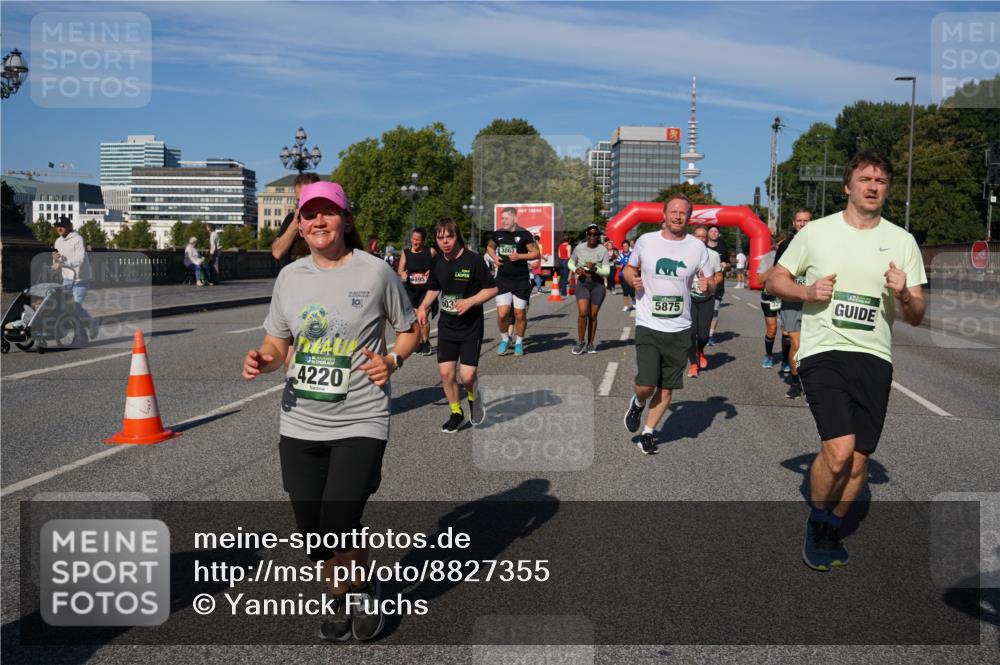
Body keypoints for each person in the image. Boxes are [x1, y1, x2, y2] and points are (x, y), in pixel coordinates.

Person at [242, 180, 419, 640]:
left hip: (361, 417)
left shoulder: (376, 272)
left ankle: (359, 592)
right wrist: (263, 358)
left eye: (328, 212)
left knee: (340, 522)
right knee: (312, 534)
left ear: (345, 219)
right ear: (299, 225)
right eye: (309, 215)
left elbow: (410, 328)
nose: (319, 221)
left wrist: (393, 360)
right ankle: (338, 595)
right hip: (300, 420)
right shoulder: (290, 277)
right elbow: (278, 342)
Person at [765, 150, 926, 572]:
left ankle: (835, 523)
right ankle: (818, 522)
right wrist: (807, 292)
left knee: (858, 461)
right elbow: (774, 279)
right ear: (848, 187)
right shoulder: (816, 233)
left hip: (874, 356)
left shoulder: (902, 241)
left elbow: (917, 314)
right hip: (823, 352)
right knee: (838, 451)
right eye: (866, 179)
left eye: (881, 181)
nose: (874, 186)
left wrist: (905, 292)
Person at [622, 195, 713, 455]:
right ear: (664, 214)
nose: (677, 216)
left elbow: (711, 279)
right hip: (649, 324)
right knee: (647, 384)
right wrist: (633, 279)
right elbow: (629, 268)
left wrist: (710, 285)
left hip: (681, 327)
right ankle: (638, 402)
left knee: (667, 385)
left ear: (688, 216)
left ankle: (648, 433)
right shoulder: (646, 241)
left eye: (682, 212)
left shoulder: (697, 247)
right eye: (673, 211)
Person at [417, 218, 497, 433]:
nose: (445, 242)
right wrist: (423, 306)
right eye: (440, 238)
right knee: (446, 374)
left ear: (457, 236)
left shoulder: (474, 260)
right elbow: (434, 288)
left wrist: (470, 301)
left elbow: (491, 289)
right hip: (447, 327)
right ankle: (456, 412)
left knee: (468, 376)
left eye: (449, 237)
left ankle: (474, 399)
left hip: (471, 327)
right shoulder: (438, 262)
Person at [487, 207, 540, 356]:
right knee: (503, 314)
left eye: (506, 218)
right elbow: (490, 248)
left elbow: (536, 253)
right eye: (502, 218)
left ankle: (519, 342)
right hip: (503, 280)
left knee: (519, 314)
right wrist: (494, 257)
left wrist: (520, 257)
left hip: (521, 280)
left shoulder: (524, 234)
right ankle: (505, 339)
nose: (503, 221)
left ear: (514, 219)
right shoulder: (498, 234)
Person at [776, 208, 812, 396]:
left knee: (813, 345)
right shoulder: (786, 245)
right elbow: (777, 276)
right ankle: (796, 381)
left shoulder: (820, 244)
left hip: (814, 301)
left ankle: (811, 381)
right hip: (792, 301)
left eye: (806, 220)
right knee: (796, 343)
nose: (803, 223)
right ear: (794, 223)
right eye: (799, 220)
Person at [686, 226, 723, 378]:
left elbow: (720, 275)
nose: (701, 239)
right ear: (693, 237)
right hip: (690, 299)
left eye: (703, 237)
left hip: (707, 298)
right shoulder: (685, 254)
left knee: (703, 336)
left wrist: (711, 283)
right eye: (698, 236)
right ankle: (693, 364)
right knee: (691, 332)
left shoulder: (713, 255)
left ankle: (700, 350)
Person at [568, 224, 611, 354]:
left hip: (597, 284)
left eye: (595, 234)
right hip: (583, 283)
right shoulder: (579, 248)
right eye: (590, 234)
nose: (592, 236)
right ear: (587, 235)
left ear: (598, 236)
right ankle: (580, 342)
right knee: (583, 312)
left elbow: (607, 271)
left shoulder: (602, 250)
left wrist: (595, 268)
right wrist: (576, 269)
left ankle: (590, 344)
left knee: (593, 315)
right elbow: (570, 262)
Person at [398, 228, 437, 356]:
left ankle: (426, 342)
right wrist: (403, 274)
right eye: (413, 239)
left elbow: (439, 265)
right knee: (415, 318)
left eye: (417, 240)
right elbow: (400, 270)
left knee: (423, 315)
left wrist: (432, 271)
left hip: (426, 290)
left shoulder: (430, 251)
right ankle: (420, 342)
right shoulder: (406, 253)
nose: (414, 242)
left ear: (423, 241)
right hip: (411, 290)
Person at [52, 216, 95, 332]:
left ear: (68, 227)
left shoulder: (78, 239)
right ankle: (78, 331)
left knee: (74, 306)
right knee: (63, 307)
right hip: (67, 279)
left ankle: (90, 325)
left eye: (62, 226)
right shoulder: (58, 241)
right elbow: (58, 261)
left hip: (81, 279)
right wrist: (55, 261)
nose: (59, 228)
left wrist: (63, 264)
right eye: (58, 226)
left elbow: (80, 260)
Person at [272, 172, 321, 267]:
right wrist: (295, 224)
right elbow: (277, 252)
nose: (303, 203)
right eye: (299, 200)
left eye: (307, 198)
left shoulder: (327, 220)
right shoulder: (291, 219)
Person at [755, 234, 784, 367]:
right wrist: (775, 267)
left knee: (787, 331)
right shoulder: (768, 257)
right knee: (772, 329)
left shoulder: (794, 256)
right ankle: (769, 355)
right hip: (770, 297)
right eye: (779, 243)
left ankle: (787, 360)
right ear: (775, 244)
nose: (781, 246)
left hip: (787, 297)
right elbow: (759, 280)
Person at [706, 226, 729, 346]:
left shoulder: (723, 247)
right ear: (708, 233)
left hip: (718, 283)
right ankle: (700, 332)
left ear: (718, 234)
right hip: (702, 284)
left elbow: (728, 263)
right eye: (711, 231)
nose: (714, 233)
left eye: (716, 231)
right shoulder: (702, 246)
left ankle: (710, 335)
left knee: (714, 311)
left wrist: (726, 265)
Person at [617, 239, 636, 312]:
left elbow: (637, 263)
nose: (625, 247)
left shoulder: (633, 254)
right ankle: (626, 306)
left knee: (631, 291)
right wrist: (620, 266)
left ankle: (634, 303)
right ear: (622, 247)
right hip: (622, 276)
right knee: (625, 291)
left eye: (626, 246)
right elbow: (616, 265)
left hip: (631, 276)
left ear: (629, 246)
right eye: (624, 246)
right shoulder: (620, 256)